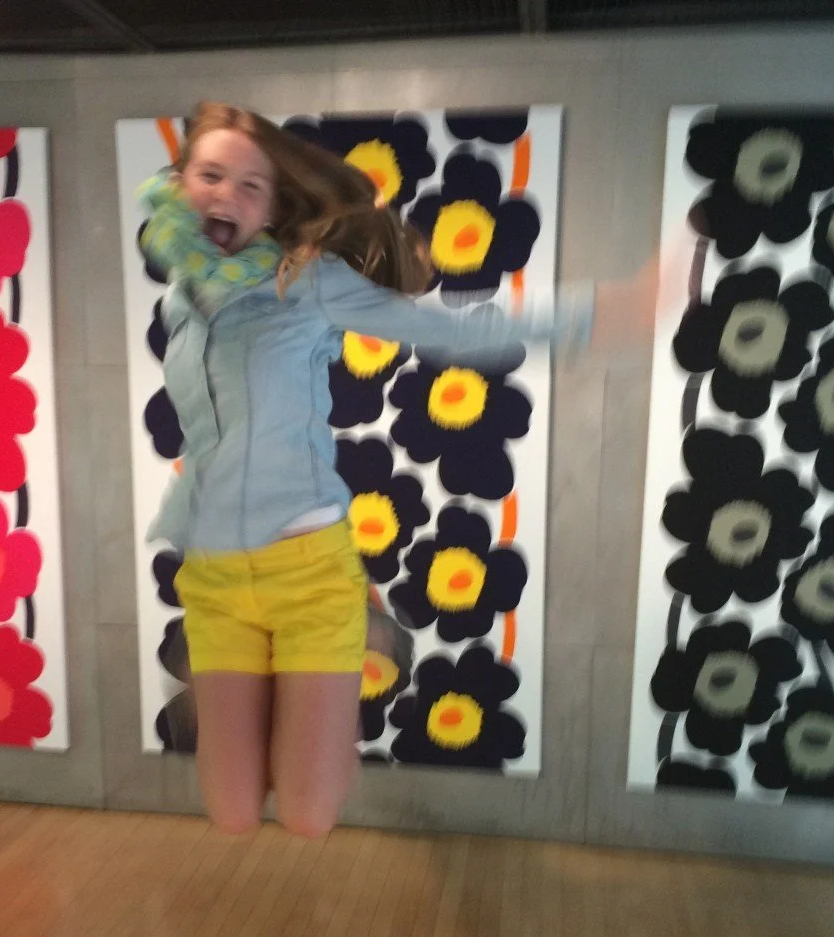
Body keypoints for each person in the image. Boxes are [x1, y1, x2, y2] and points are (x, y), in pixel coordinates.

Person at [136, 101, 667, 838]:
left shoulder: (304, 282)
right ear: (181, 183)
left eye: (252, 185)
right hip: (214, 576)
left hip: (306, 571)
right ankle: (299, 697)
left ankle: (353, 631)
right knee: (231, 812)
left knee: (308, 813)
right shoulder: (181, 302)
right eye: (211, 175)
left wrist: (600, 313)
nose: (228, 194)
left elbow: (444, 327)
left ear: (274, 206)